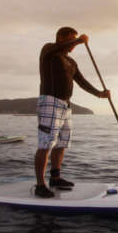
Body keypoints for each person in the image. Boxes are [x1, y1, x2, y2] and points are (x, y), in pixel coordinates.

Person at [34, 27, 110, 198]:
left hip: (66, 106)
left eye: (74, 41)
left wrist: (99, 94)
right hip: (49, 102)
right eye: (70, 40)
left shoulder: (71, 62)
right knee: (45, 144)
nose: (73, 45)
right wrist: (78, 40)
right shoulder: (48, 50)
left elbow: (82, 81)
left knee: (62, 143)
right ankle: (40, 185)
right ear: (60, 38)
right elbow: (57, 47)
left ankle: (55, 178)